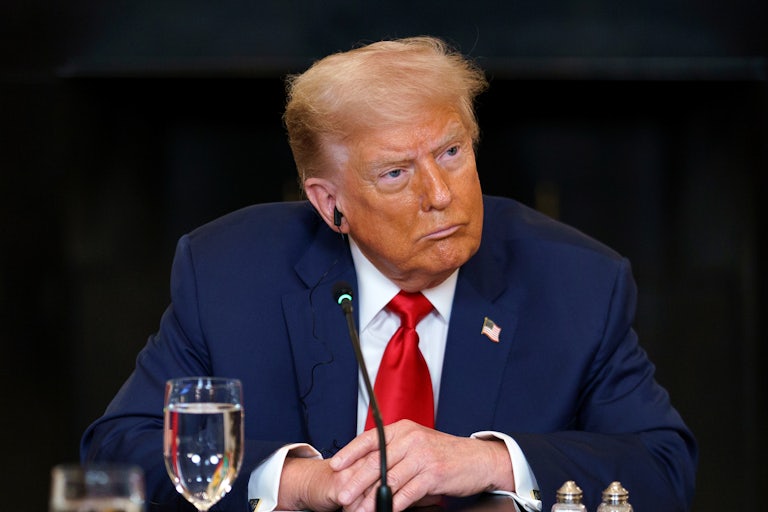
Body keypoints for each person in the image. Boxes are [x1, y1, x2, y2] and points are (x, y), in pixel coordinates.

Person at [81, 36, 697, 512]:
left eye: (452, 153)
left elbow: (663, 468)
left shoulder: (577, 282)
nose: (440, 194)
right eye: (396, 173)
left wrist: (492, 461)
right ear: (331, 205)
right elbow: (118, 454)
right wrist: (298, 482)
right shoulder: (230, 275)